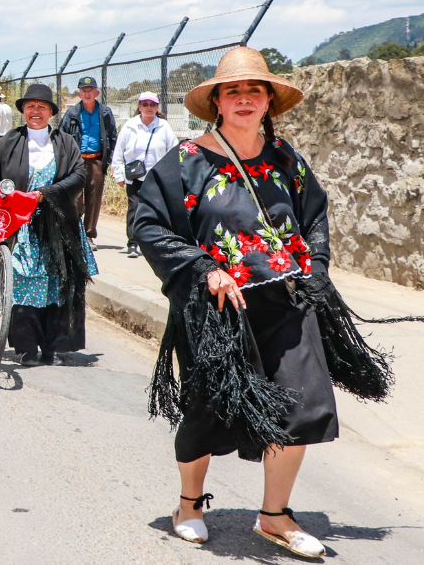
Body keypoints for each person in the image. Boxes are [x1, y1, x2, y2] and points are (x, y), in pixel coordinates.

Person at [134, 47, 396, 558]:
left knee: (304, 405)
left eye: (255, 90)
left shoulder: (286, 160)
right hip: (216, 311)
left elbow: (314, 215)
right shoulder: (187, 162)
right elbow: (146, 224)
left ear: (269, 101)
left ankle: (274, 515)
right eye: (233, 91)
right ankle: (189, 504)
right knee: (205, 410)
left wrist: (317, 268)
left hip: (286, 304)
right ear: (216, 101)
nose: (245, 98)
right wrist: (204, 269)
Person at [0, 83, 97, 367]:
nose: (35, 111)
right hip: (20, 226)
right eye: (30, 106)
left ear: (50, 111)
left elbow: (78, 176)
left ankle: (52, 348)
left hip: (58, 225)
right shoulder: (10, 141)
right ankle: (26, 348)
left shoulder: (66, 142)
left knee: (56, 285)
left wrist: (45, 195)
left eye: (42, 106)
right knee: (23, 284)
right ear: (23, 111)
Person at [111, 91, 177, 257]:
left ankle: (156, 243)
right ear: (139, 106)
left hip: (157, 178)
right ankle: (132, 243)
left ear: (157, 107)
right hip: (135, 177)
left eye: (153, 104)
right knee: (134, 209)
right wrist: (119, 174)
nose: (149, 108)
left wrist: (173, 175)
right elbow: (119, 152)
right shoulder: (130, 126)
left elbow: (174, 151)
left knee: (158, 211)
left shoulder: (164, 126)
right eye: (145, 104)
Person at [58, 76, 117, 247]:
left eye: (90, 90)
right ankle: (75, 232)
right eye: (84, 90)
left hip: (97, 160)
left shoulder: (105, 112)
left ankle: (89, 234)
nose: (87, 93)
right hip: (76, 160)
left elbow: (113, 137)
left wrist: (112, 161)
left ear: (97, 92)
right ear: (79, 93)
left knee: (94, 198)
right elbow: (62, 135)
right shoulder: (72, 113)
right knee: (75, 197)